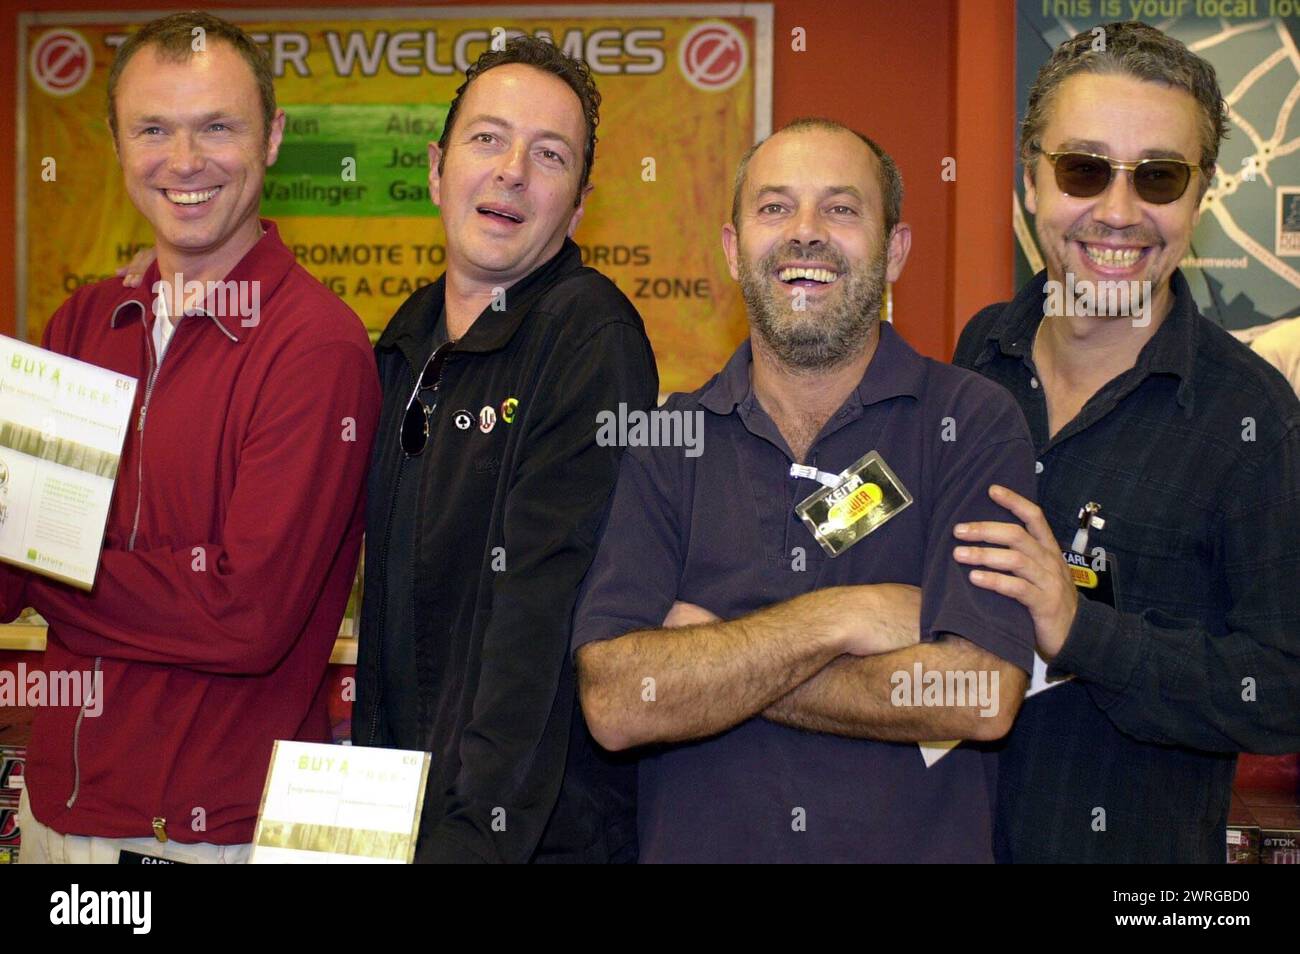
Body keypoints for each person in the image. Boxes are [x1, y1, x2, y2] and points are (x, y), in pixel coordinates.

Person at [571, 118, 1036, 863]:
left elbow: (977, 696)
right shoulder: (668, 436)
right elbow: (618, 702)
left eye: (842, 209)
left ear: (895, 252)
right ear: (733, 249)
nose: (806, 234)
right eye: (775, 207)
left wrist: (709, 658)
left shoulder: (971, 420)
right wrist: (839, 617)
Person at [4, 12, 379, 863]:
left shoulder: (315, 345)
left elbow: (245, 617)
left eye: (217, 126)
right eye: (153, 129)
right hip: (56, 819)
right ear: (115, 141)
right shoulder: (82, 323)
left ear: (272, 136)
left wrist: (47, 566)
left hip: (205, 838)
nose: (184, 161)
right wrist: (24, 551)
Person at [952, 21, 1300, 863]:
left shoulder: (1253, 418)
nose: (1117, 211)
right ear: (1030, 178)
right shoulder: (977, 355)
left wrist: (1081, 632)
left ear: (1200, 194)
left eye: (1158, 177)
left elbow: (1283, 691)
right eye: (1082, 169)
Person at [350, 37, 658, 863]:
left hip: (517, 834)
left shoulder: (590, 338)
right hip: (398, 814)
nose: (513, 170)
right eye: (488, 138)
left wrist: (466, 839)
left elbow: (538, 623)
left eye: (548, 154)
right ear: (435, 167)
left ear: (580, 205)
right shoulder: (408, 337)